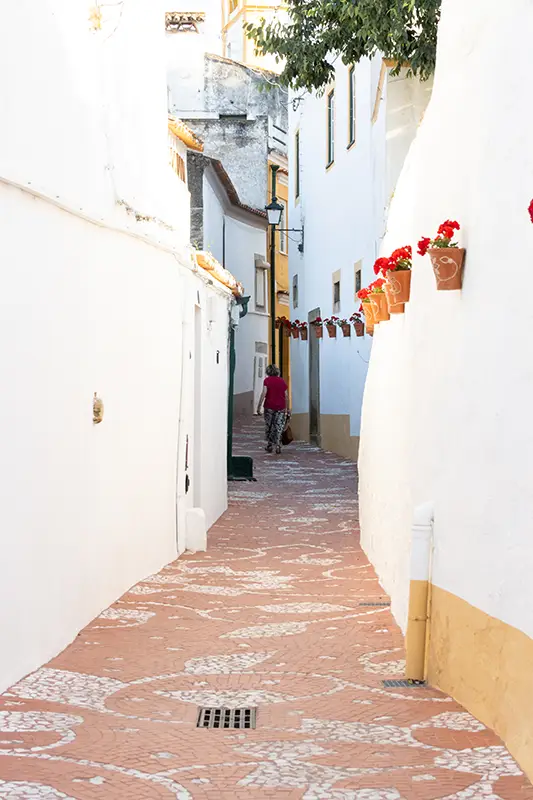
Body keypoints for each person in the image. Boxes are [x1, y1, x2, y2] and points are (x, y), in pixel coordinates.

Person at [256, 365, 290, 454]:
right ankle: (278, 444)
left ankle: (270, 445)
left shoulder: (267, 381)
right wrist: (288, 408)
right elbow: (286, 395)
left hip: (269, 406)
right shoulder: (282, 381)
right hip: (281, 407)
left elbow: (264, 393)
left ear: (268, 372)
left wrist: (259, 406)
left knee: (269, 425)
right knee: (278, 426)